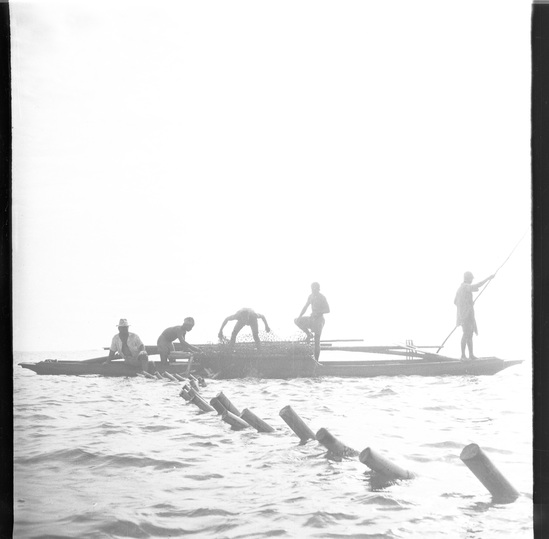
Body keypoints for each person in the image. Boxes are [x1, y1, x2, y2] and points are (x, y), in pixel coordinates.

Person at [454, 271, 495, 360]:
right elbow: (477, 286)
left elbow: (455, 302)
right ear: (467, 278)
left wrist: (468, 302)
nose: (472, 280)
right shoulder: (465, 286)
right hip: (466, 315)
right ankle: (463, 355)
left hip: (466, 314)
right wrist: (488, 278)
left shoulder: (460, 288)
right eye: (471, 279)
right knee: (466, 334)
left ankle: (471, 355)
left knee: (470, 334)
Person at [295, 282, 330, 361]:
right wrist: (299, 316)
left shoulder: (322, 297)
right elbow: (305, 307)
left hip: (319, 320)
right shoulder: (310, 297)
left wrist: (318, 312)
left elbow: (328, 310)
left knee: (317, 341)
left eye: (315, 288)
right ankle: (309, 334)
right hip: (312, 319)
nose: (313, 290)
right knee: (296, 321)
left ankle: (316, 361)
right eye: (312, 288)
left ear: (318, 289)